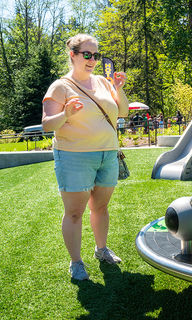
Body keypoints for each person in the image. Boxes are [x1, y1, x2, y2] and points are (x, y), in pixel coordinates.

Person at [42, 34, 129, 280]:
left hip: (107, 154)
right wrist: (66, 114)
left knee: (100, 207)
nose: (92, 60)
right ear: (73, 55)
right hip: (74, 157)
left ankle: (101, 250)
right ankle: (76, 262)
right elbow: (47, 124)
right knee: (74, 213)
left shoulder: (103, 82)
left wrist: (119, 89)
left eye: (96, 55)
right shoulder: (60, 86)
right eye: (87, 55)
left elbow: (122, 111)